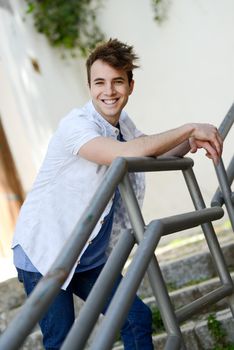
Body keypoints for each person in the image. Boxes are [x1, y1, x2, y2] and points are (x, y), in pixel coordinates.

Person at [12, 38, 223, 350]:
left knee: (134, 318)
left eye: (117, 82)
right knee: (64, 342)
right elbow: (124, 154)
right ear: (89, 86)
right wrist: (189, 127)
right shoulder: (77, 125)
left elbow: (149, 152)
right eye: (100, 82)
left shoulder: (121, 122)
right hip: (46, 251)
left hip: (87, 254)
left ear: (130, 86)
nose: (108, 91)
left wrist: (190, 140)